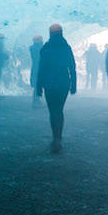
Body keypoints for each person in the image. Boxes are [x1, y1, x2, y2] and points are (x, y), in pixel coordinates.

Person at [35, 23, 77, 152]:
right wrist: (73, 84)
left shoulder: (46, 49)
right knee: (59, 110)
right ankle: (58, 138)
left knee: (53, 111)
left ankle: (55, 138)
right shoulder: (66, 48)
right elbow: (72, 67)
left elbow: (41, 69)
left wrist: (39, 86)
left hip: (49, 83)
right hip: (63, 83)